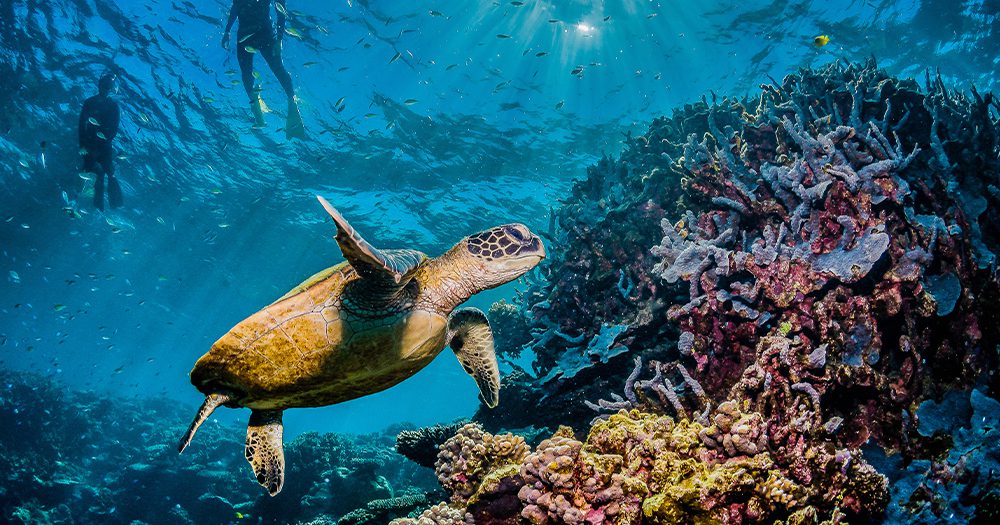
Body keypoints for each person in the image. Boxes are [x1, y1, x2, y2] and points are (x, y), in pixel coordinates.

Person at [222, 0, 305, 138]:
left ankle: (292, 102)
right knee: (247, 73)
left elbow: (280, 8)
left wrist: (279, 40)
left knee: (276, 69)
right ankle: (257, 106)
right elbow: (235, 7)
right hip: (250, 35)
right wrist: (227, 31)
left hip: (260, 33)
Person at [79, 72, 123, 210]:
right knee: (97, 173)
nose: (105, 88)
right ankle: (98, 206)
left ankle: (112, 204)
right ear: (99, 85)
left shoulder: (113, 106)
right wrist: (83, 145)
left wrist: (103, 142)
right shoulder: (89, 102)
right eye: (104, 85)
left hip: (103, 146)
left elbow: (114, 129)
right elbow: (81, 125)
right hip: (90, 144)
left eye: (108, 86)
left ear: (110, 88)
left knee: (109, 173)